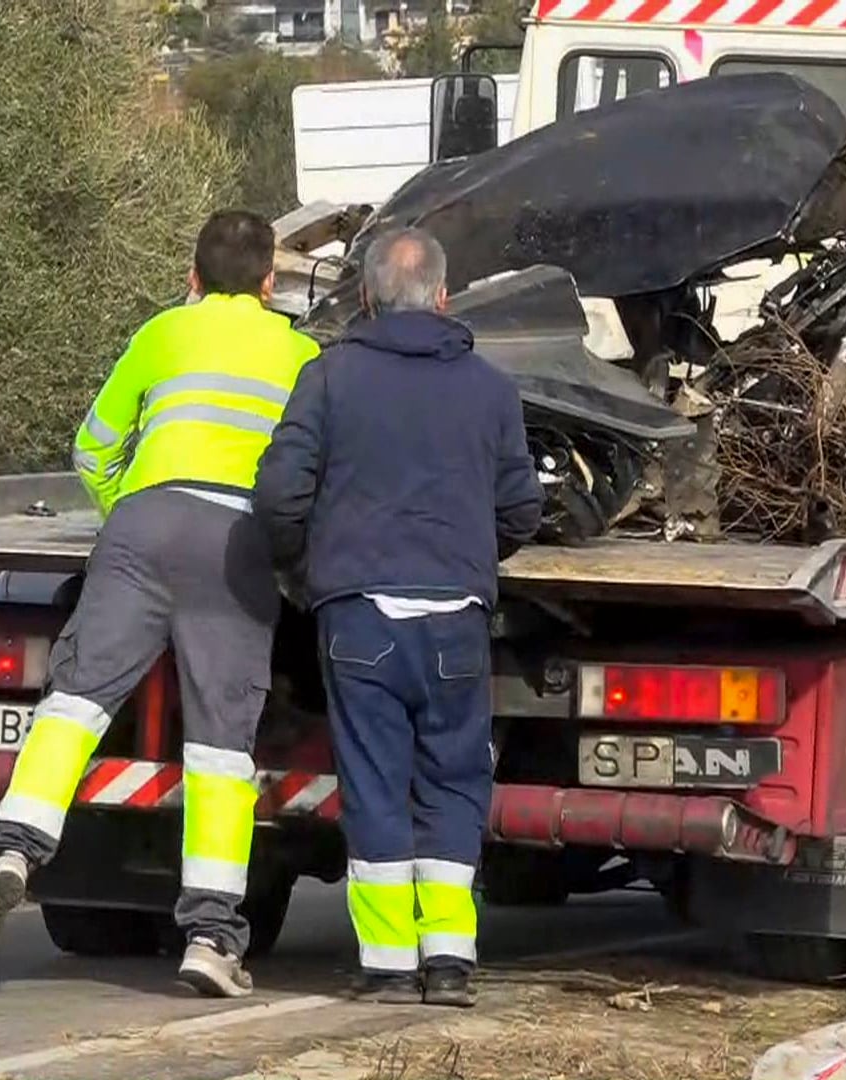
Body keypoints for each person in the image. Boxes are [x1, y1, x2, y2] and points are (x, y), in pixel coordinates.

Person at [0, 210, 321, 999]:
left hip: (145, 522)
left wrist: (128, 509)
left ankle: (13, 848)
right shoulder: (301, 354)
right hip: (237, 540)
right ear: (268, 284)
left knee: (76, 701)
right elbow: (308, 477)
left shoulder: (162, 334)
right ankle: (212, 937)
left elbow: (92, 446)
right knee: (221, 747)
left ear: (192, 278)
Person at [252, 227, 543, 1008]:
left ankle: (385, 964)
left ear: (370, 298)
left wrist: (306, 572)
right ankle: (449, 961)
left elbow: (278, 494)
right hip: (456, 616)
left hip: (359, 618)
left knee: (374, 783)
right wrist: (475, 556)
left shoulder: (329, 377)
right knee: (453, 781)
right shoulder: (490, 386)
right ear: (444, 297)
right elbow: (522, 506)